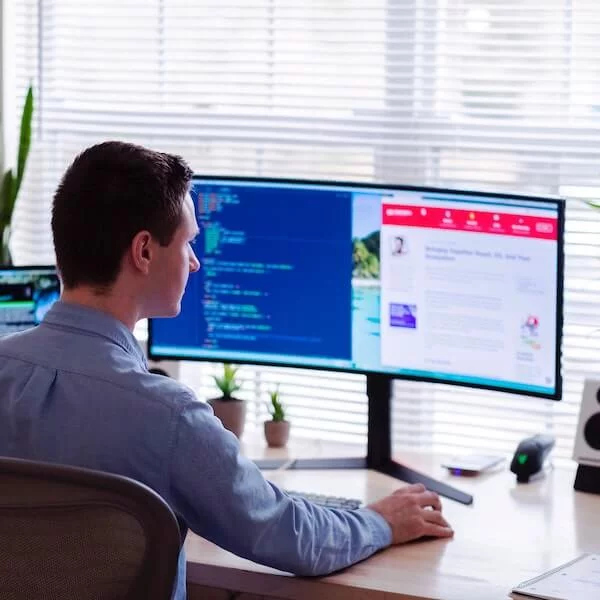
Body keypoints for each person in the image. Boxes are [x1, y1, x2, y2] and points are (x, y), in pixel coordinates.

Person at [0, 141, 453, 599]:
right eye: (188, 241)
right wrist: (381, 521)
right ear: (144, 252)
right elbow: (291, 536)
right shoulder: (167, 417)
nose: (195, 261)